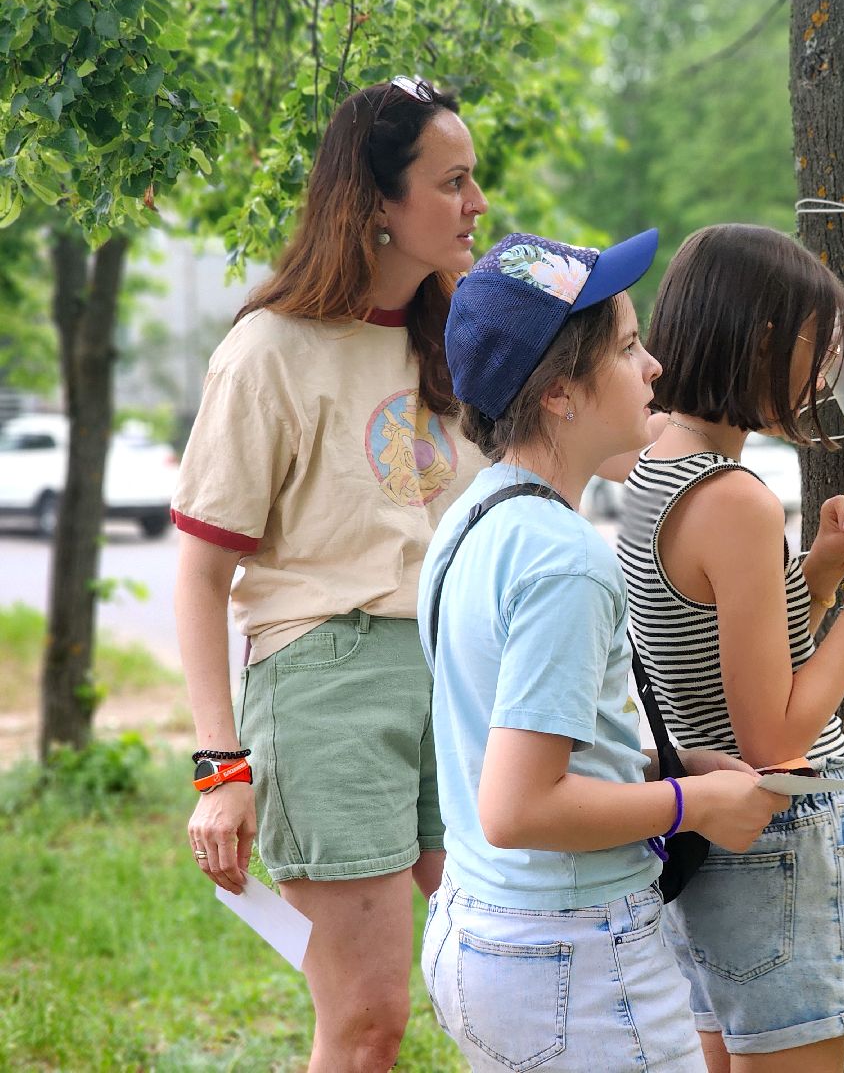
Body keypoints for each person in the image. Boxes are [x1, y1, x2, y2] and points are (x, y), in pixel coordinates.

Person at [173, 77, 496, 1069]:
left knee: (503, 970)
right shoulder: (269, 352)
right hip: (328, 683)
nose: (477, 203)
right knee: (366, 1021)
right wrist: (219, 770)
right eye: (451, 182)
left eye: (475, 180)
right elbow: (198, 575)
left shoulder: (463, 339)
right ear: (376, 206)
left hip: (460, 679)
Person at [418, 229, 787, 1071]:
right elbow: (521, 808)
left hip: (481, 931)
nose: (654, 365)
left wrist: (669, 763)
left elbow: (499, 739)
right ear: (559, 394)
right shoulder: (565, 560)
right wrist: (691, 808)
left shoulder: (473, 520)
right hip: (573, 959)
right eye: (626, 346)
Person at [619, 223, 844, 1071]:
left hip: (715, 843)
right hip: (780, 835)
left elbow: (717, 651)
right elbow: (776, 739)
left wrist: (817, 573)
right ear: (761, 343)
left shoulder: (658, 464)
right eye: (814, 349)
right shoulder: (733, 499)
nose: (824, 375)